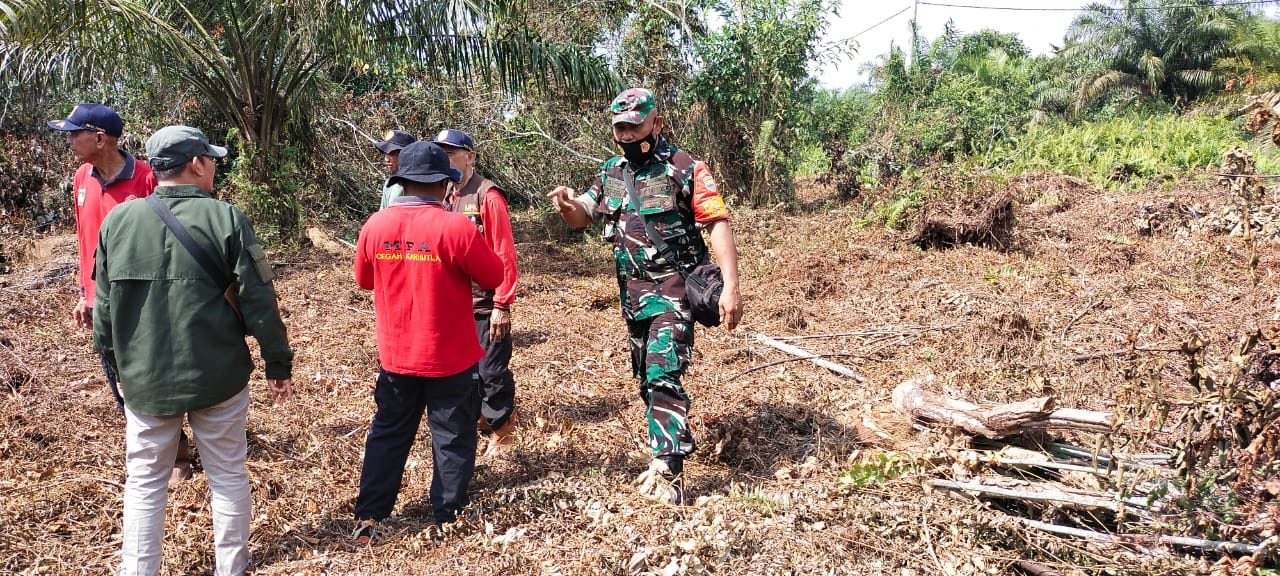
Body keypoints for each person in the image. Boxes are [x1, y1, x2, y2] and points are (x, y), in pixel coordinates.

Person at [93, 125, 294, 576]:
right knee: (227, 472)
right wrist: (277, 362)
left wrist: (117, 368)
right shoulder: (226, 219)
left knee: (145, 481)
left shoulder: (118, 222)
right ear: (197, 164)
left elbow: (104, 309)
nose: (213, 168)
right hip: (217, 374)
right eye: (211, 160)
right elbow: (259, 300)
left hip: (145, 379)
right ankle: (231, 567)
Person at [547, 87, 744, 504]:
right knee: (646, 378)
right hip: (633, 297)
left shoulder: (685, 167)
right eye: (620, 127)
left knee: (661, 371)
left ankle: (669, 468)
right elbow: (584, 214)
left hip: (674, 292)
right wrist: (567, 205)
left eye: (635, 126)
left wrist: (731, 285)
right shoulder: (612, 172)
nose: (627, 134)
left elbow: (717, 222)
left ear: (657, 123)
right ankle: (663, 447)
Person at [352, 141, 504, 543]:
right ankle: (448, 516)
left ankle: (369, 515)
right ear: (444, 184)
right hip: (449, 356)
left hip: (396, 356)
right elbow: (493, 275)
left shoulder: (375, 225)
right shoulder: (456, 227)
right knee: (452, 436)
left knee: (388, 432)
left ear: (401, 183)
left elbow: (364, 280)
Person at [47, 103, 195, 486]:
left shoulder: (146, 179)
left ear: (100, 138)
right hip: (102, 301)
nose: (69, 141)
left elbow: (169, 241)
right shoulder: (82, 178)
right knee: (118, 376)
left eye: (74, 133)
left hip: (145, 299)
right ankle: (154, 446)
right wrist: (86, 291)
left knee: (155, 372)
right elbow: (86, 240)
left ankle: (178, 452)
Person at [433, 128, 521, 457]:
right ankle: (481, 418)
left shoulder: (487, 196)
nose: (445, 160)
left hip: (485, 302)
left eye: (450, 153)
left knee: (491, 370)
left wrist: (502, 303)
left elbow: (503, 252)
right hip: (453, 304)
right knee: (465, 372)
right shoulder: (442, 195)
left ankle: (503, 429)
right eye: (440, 153)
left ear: (470, 156)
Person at [374, 129, 417, 210]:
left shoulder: (417, 185)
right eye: (385, 153)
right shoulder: (390, 183)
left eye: (392, 153)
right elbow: (383, 213)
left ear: (407, 154)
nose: (386, 159)